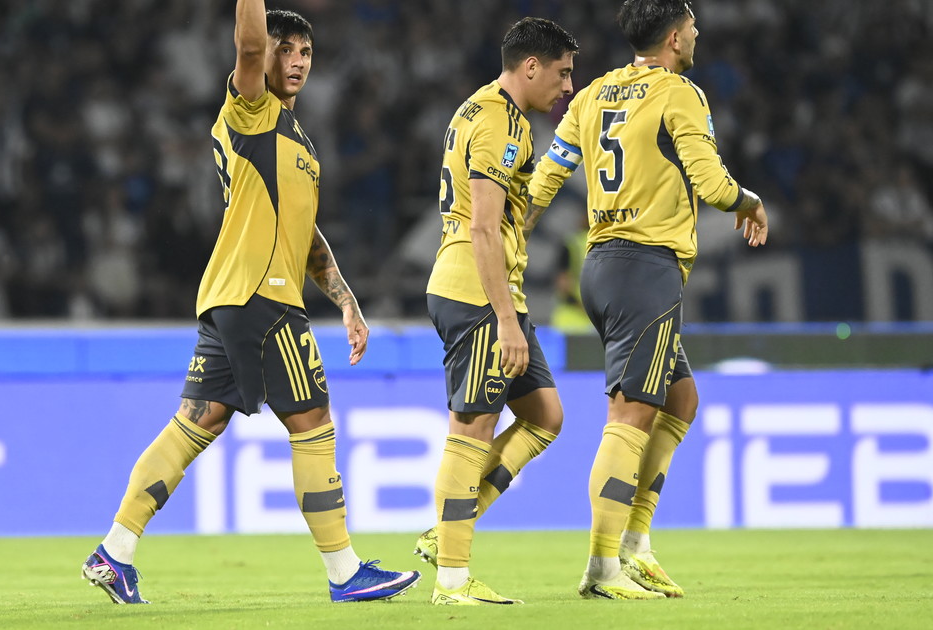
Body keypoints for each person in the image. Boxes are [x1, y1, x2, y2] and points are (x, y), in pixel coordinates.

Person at [80, 1, 421, 605]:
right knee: (312, 421)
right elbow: (246, 45)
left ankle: (115, 551)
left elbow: (306, 236)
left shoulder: (299, 142)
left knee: (196, 422)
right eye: (285, 49)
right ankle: (345, 572)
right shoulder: (253, 110)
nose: (297, 61)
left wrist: (346, 300)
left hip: (232, 296)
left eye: (306, 52)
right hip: (264, 296)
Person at [525, 0, 769, 600]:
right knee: (629, 415)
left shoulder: (593, 94)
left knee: (680, 399)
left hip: (601, 269)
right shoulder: (680, 94)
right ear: (674, 38)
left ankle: (635, 542)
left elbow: (547, 177)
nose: (697, 31)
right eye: (691, 23)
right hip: (645, 269)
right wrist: (749, 200)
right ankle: (603, 566)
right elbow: (711, 185)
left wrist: (509, 230)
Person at [416, 17, 578, 606]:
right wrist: (506, 321)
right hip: (477, 292)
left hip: (492, 289)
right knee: (472, 427)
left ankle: (447, 531)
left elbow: (508, 215)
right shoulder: (498, 123)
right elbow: (484, 228)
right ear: (530, 67)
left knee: (545, 416)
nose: (568, 86)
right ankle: (452, 579)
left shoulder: (484, 111)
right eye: (562, 72)